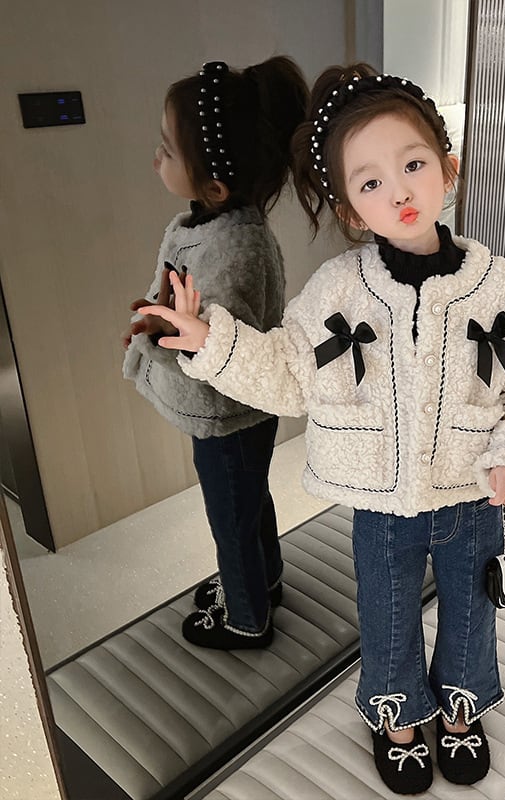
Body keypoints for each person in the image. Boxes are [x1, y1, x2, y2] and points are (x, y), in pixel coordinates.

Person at [138, 63, 505, 793]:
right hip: (380, 505)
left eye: (413, 165)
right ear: (348, 208)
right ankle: (397, 720)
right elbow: (288, 373)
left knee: (472, 615)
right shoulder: (338, 291)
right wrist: (211, 340)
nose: (398, 191)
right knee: (387, 616)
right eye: (370, 182)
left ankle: (461, 712)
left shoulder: (502, 288)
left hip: (474, 499)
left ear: (449, 169)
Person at [122, 57, 308, 651]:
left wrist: (158, 334)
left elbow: (216, 343)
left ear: (215, 186)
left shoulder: (235, 247)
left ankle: (246, 619)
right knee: (248, 503)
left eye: (167, 150)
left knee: (231, 519)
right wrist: (155, 318)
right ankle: (265, 580)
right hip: (235, 413)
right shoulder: (209, 224)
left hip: (229, 414)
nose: (156, 159)